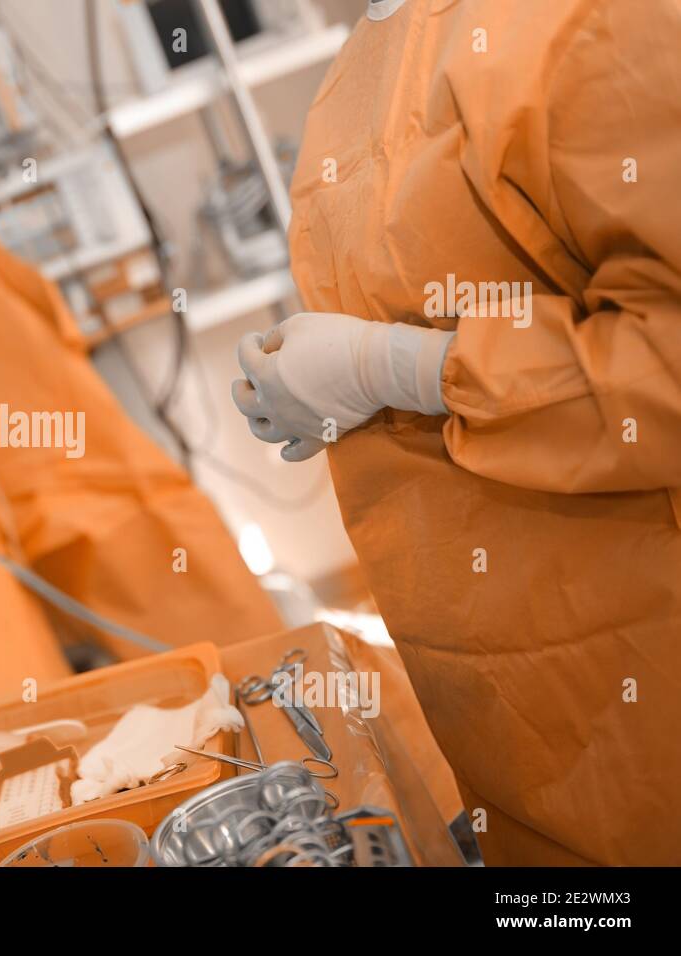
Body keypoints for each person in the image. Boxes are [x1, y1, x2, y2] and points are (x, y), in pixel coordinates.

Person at [232, 0, 680, 864]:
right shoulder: (362, 64)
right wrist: (314, 381)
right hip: (506, 715)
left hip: (642, 690)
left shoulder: (582, 21)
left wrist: (395, 367)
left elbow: (662, 365)